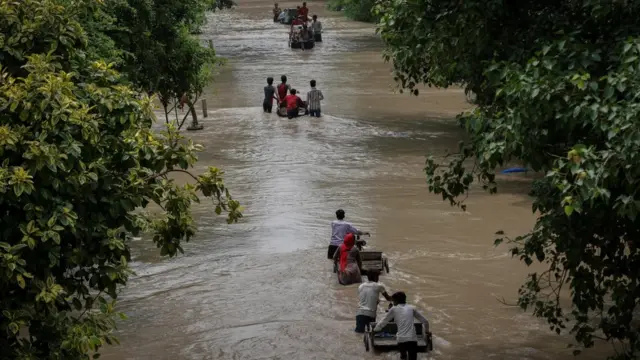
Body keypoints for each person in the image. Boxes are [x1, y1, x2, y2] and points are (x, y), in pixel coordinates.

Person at [373, 292, 431, 360]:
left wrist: (375, 330)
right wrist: (427, 331)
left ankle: (403, 356)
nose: (393, 303)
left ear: (396, 301)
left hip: (401, 339)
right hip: (412, 339)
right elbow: (425, 321)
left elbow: (384, 321)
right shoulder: (412, 308)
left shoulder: (394, 309)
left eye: (393, 301)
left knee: (403, 357)